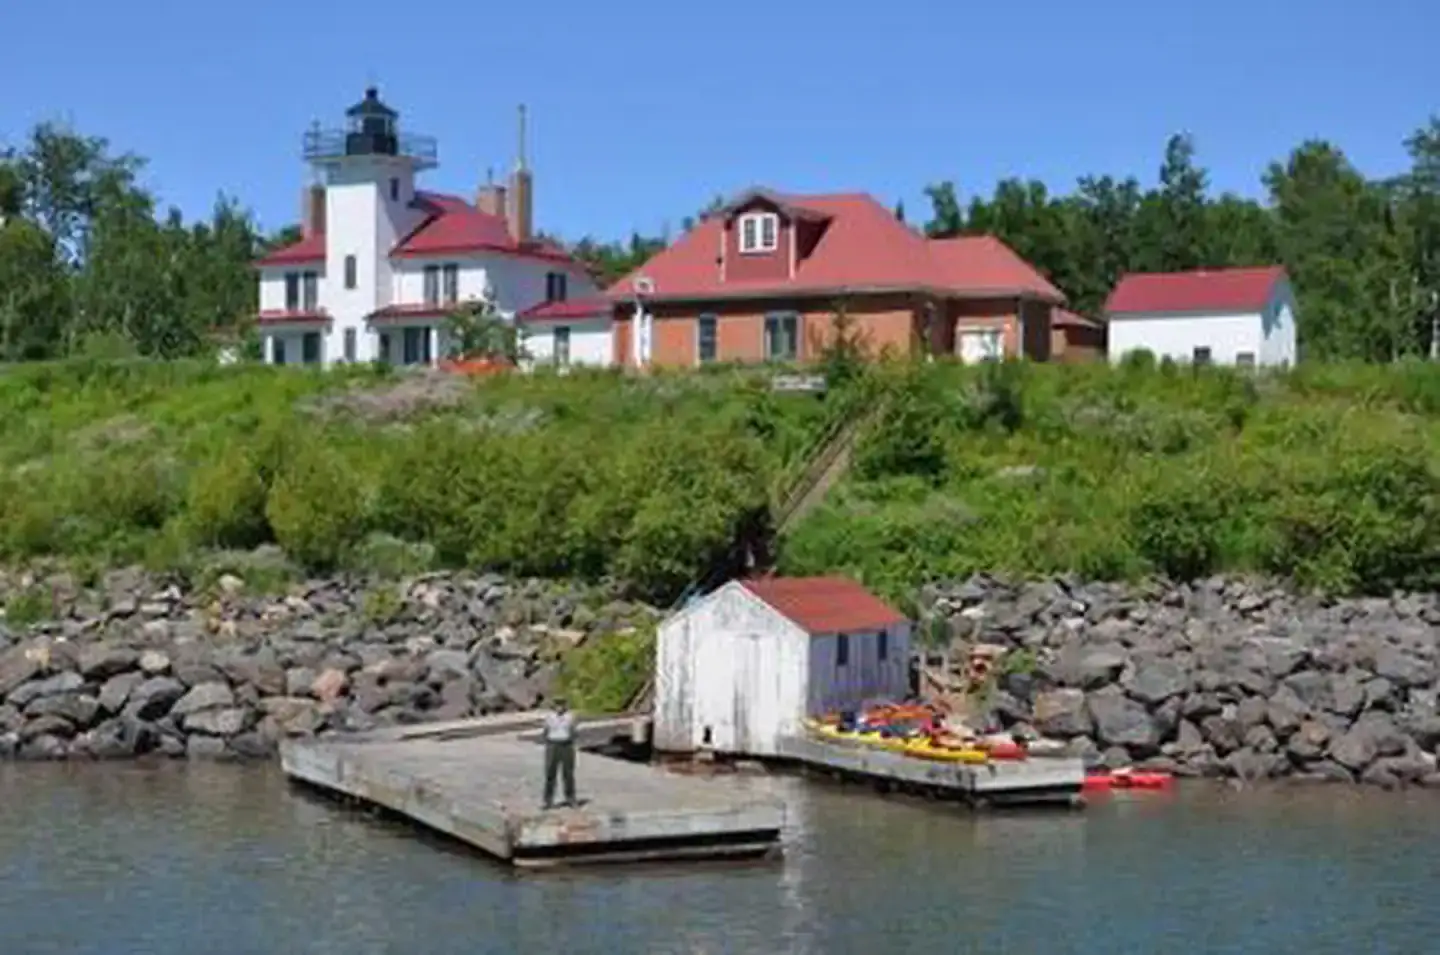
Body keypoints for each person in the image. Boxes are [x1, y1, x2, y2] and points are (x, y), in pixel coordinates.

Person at [541, 696, 577, 810]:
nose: (559, 708)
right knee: (550, 773)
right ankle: (548, 800)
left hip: (566, 745)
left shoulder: (570, 716)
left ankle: (570, 798)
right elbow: (545, 731)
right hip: (553, 744)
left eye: (562, 705)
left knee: (568, 773)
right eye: (557, 705)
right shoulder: (549, 717)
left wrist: (571, 742)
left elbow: (573, 731)